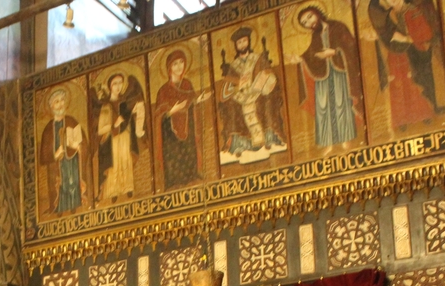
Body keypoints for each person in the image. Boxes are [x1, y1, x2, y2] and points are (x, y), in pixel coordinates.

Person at [288, 6, 363, 148]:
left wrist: (335, 52)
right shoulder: (315, 36)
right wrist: (299, 59)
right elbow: (311, 55)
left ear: (317, 13)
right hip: (323, 76)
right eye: (305, 23)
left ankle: (345, 139)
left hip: (340, 73)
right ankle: (328, 142)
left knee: (341, 104)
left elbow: (351, 46)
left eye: (309, 17)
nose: (309, 23)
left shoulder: (338, 27)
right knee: (323, 107)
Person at [368, 0, 443, 129]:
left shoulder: (410, 9)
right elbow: (383, 31)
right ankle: (402, 120)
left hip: (413, 49)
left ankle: (423, 113)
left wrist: (409, 38)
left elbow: (422, 28)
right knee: (398, 84)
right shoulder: (380, 10)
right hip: (394, 52)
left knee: (414, 81)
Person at [218, 26, 287, 164]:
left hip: (258, 92)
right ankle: (238, 145)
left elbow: (269, 74)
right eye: (239, 43)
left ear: (249, 42)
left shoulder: (258, 58)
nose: (242, 44)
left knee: (265, 101)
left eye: (244, 41)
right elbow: (227, 86)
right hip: (242, 94)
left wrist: (260, 82)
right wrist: (238, 83)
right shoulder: (233, 66)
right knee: (231, 106)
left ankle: (269, 139)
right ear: (236, 46)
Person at [153, 49, 211, 189]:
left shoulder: (187, 85)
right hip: (170, 130)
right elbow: (158, 115)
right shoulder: (163, 90)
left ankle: (191, 174)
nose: (179, 67)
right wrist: (171, 111)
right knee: (174, 153)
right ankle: (174, 179)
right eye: (175, 64)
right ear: (169, 68)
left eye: (181, 63)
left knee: (189, 148)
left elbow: (190, 100)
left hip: (187, 124)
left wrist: (197, 100)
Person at [94, 73, 146, 203]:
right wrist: (114, 125)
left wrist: (134, 115)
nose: (118, 86)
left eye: (120, 83)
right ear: (110, 87)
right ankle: (113, 191)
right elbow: (101, 129)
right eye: (115, 84)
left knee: (125, 162)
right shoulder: (106, 106)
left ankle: (127, 187)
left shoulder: (125, 103)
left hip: (126, 137)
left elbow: (133, 115)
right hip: (112, 141)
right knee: (114, 165)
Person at [38, 87, 87, 215]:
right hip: (57, 165)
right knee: (61, 185)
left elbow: (84, 142)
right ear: (51, 106)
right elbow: (43, 156)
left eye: (62, 101)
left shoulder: (72, 121)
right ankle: (59, 207)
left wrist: (78, 147)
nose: (60, 104)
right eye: (57, 102)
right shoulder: (48, 129)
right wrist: (54, 155)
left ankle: (75, 206)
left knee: (73, 182)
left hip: (72, 162)